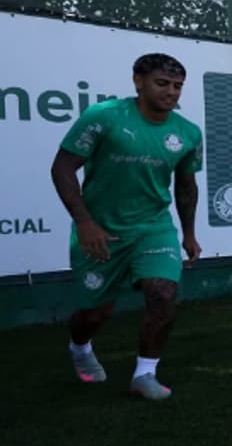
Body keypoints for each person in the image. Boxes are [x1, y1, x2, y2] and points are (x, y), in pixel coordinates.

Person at [50, 53, 203, 400]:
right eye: (162, 83)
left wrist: (189, 233)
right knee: (96, 312)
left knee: (163, 293)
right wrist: (85, 223)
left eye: (178, 86)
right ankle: (80, 346)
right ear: (138, 81)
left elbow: (185, 186)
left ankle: (145, 374)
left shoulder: (188, 133)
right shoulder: (104, 117)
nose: (171, 92)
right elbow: (62, 168)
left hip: (154, 227)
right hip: (101, 229)